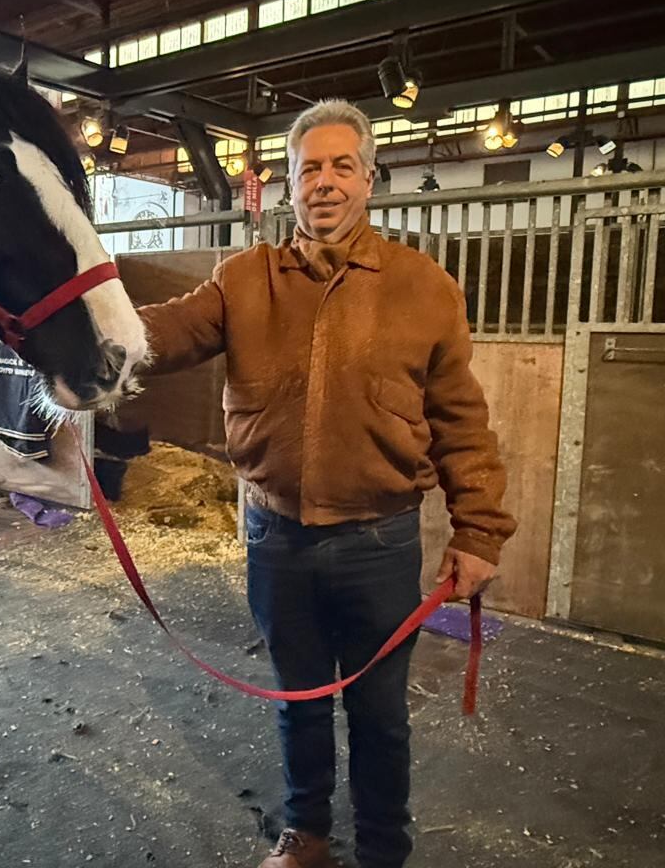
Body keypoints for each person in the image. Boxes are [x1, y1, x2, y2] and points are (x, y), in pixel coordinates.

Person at [136, 100, 515, 868]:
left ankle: (382, 850)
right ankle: (306, 834)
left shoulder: (423, 287)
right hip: (276, 536)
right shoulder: (244, 279)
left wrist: (478, 530)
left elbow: (461, 419)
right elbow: (168, 330)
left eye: (343, 166)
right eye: (311, 168)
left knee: (380, 715)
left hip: (379, 540)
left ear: (369, 179)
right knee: (297, 701)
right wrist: (84, 328)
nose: (326, 182)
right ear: (291, 184)